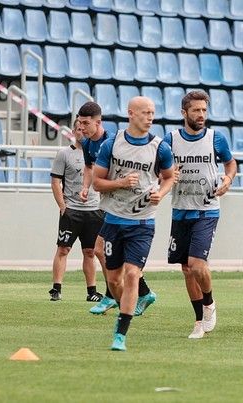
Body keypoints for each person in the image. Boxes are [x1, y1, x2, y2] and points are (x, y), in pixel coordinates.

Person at [93, 96, 175, 351]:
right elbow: (97, 182)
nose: (150, 117)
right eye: (145, 113)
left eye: (152, 113)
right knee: (114, 280)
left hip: (142, 222)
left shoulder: (160, 147)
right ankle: (132, 303)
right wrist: (119, 183)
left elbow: (169, 177)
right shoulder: (112, 144)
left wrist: (160, 194)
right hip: (114, 221)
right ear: (130, 113)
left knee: (131, 275)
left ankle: (121, 334)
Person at [165, 91, 237, 339]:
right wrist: (168, 176)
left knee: (197, 265)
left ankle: (209, 302)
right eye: (196, 110)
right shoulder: (171, 140)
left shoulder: (216, 138)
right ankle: (198, 321)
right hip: (181, 209)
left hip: (207, 209)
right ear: (184, 112)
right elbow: (160, 169)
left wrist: (227, 179)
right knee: (186, 269)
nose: (201, 115)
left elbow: (231, 163)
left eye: (204, 110)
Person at [77, 102, 156, 316]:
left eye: (86, 123)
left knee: (106, 253)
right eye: (80, 123)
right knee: (101, 251)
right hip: (109, 204)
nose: (82, 128)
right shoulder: (87, 144)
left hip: (123, 208)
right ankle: (136, 293)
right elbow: (89, 167)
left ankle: (113, 296)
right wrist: (85, 187)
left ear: (98, 122)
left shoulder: (112, 142)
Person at [48, 119, 104, 302]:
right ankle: (56, 288)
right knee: (63, 249)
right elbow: (56, 182)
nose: (81, 132)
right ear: (73, 131)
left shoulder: (99, 153)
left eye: (83, 129)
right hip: (72, 210)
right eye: (78, 129)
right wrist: (62, 206)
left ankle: (92, 291)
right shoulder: (64, 154)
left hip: (94, 210)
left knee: (90, 251)